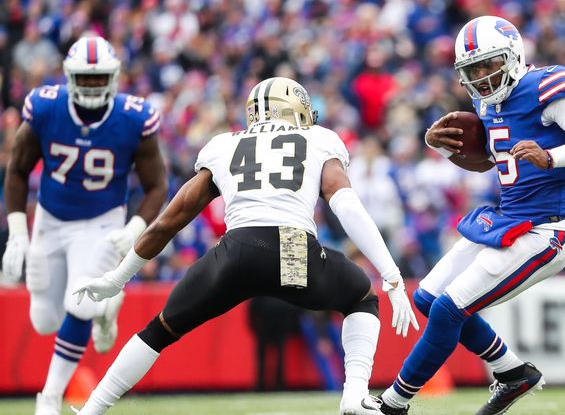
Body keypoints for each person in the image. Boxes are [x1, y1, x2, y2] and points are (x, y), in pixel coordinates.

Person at [71, 77, 419, 415]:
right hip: (292, 249)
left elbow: (169, 221)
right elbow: (344, 203)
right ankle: (355, 395)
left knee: (158, 331)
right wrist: (390, 275)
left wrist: (118, 278)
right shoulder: (318, 138)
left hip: (236, 251)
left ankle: (91, 411)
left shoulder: (225, 145)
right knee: (361, 297)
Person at [377, 16, 565, 415]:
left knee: (448, 309)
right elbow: (491, 163)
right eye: (473, 70)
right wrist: (440, 147)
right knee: (427, 297)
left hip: (547, 231)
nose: (482, 76)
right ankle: (512, 373)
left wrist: (551, 157)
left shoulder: (544, 86)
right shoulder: (486, 101)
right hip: (510, 220)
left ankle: (393, 403)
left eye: (489, 64)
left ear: (513, 55)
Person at [1, 35, 168, 415]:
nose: (92, 86)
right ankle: (109, 307)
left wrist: (134, 227)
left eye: (99, 78)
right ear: (69, 77)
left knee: (80, 302)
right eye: (85, 78)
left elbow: (156, 185)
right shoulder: (45, 108)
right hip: (51, 218)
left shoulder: (133, 117)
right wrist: (17, 234)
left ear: (113, 78)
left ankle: (50, 397)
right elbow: (17, 170)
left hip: (101, 222)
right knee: (44, 320)